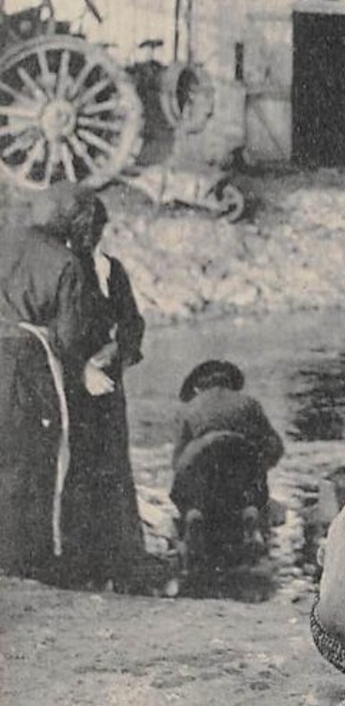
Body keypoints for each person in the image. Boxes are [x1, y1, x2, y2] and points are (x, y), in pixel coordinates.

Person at [0, 186, 93, 579]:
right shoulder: (66, 263)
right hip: (26, 364)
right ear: (71, 221)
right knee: (31, 461)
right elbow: (70, 340)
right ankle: (23, 560)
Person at [63, 194, 147, 590]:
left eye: (97, 230)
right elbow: (59, 334)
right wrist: (82, 370)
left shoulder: (112, 270)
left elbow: (132, 322)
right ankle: (82, 562)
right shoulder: (66, 270)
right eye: (86, 230)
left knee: (114, 465)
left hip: (109, 384)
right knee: (80, 467)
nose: (92, 237)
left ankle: (121, 559)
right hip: (73, 387)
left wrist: (118, 350)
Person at [171, 361, 284, 568]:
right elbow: (275, 446)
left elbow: (178, 461)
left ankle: (194, 512)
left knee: (186, 491)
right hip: (241, 457)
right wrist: (259, 470)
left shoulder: (187, 409)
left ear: (198, 387)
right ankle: (250, 511)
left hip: (200, 460)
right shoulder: (249, 403)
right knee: (252, 487)